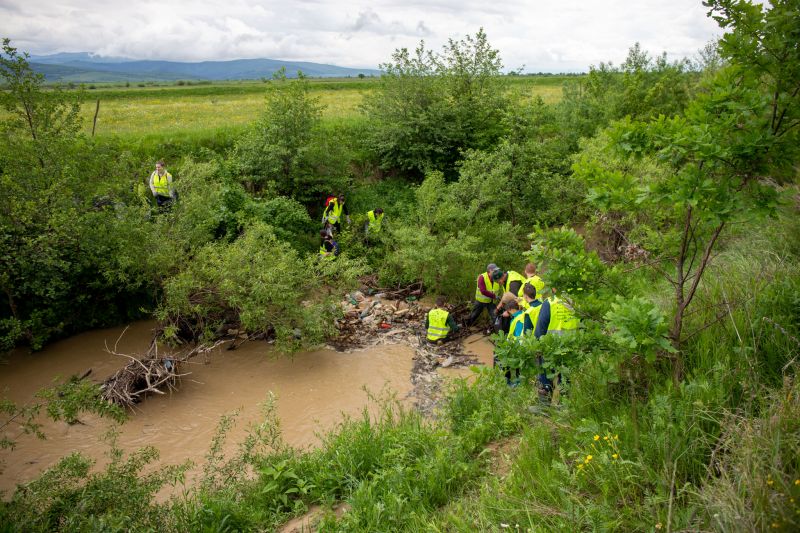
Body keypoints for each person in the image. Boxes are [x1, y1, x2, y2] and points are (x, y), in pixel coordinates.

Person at [465, 264, 502, 328]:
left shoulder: (496, 277)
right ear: (490, 271)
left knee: (495, 316)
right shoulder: (482, 277)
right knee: (474, 315)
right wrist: (494, 296)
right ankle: (466, 326)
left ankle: (498, 331)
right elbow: (483, 291)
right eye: (495, 270)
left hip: (490, 301)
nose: (496, 272)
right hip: (480, 301)